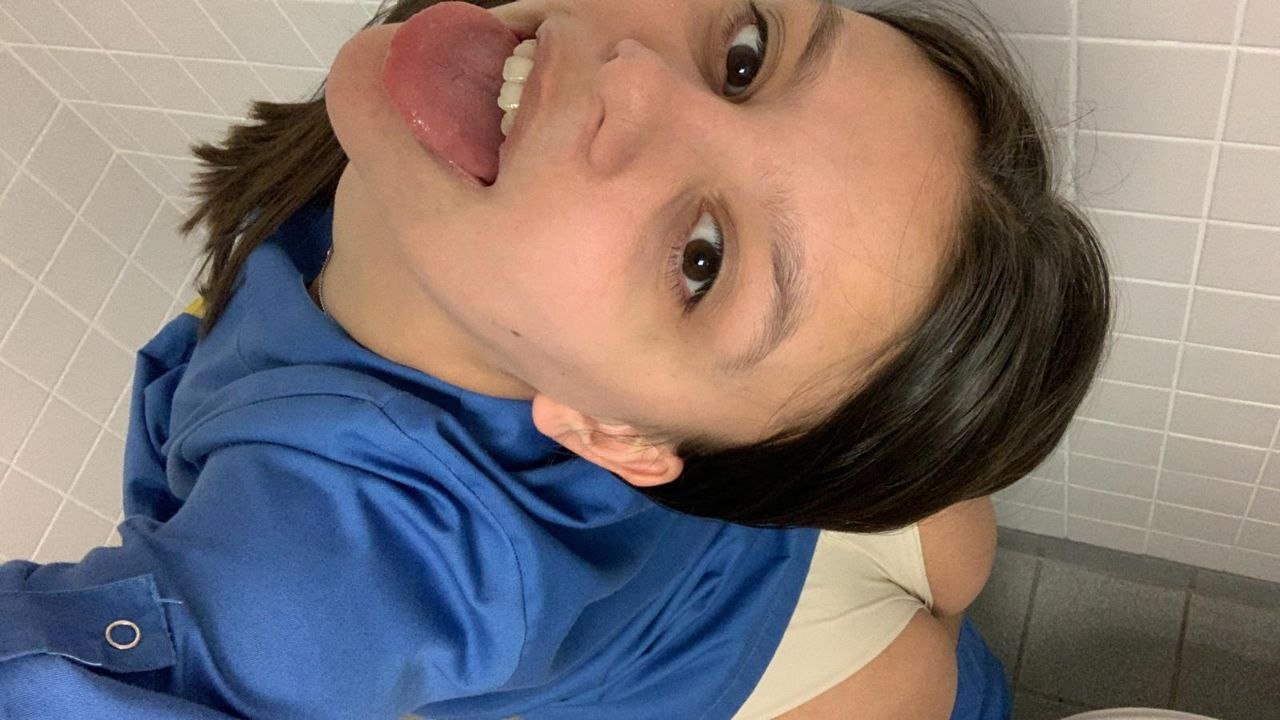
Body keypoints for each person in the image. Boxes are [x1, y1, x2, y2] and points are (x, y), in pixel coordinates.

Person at [0, 0, 1110, 717]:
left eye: (703, 259)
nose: (636, 78)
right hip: (770, 600)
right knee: (943, 644)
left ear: (615, 433)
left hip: (764, 589)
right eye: (744, 55)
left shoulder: (322, 561)